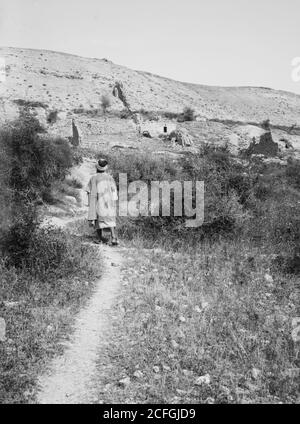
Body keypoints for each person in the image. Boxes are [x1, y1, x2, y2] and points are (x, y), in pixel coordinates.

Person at [85, 158, 118, 245]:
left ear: (97, 167)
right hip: (108, 202)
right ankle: (114, 237)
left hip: (98, 201)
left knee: (97, 219)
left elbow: (88, 190)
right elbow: (114, 190)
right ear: (106, 168)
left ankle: (100, 239)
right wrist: (114, 202)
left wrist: (90, 203)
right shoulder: (110, 178)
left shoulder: (93, 178)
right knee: (110, 219)